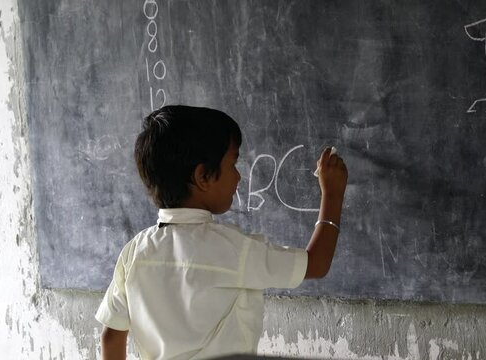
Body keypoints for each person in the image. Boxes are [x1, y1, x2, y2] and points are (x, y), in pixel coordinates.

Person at [95, 105, 348, 359]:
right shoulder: (235, 250)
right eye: (232, 164)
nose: (238, 177)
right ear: (203, 176)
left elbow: (111, 335)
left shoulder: (134, 253)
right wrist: (333, 195)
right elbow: (316, 263)